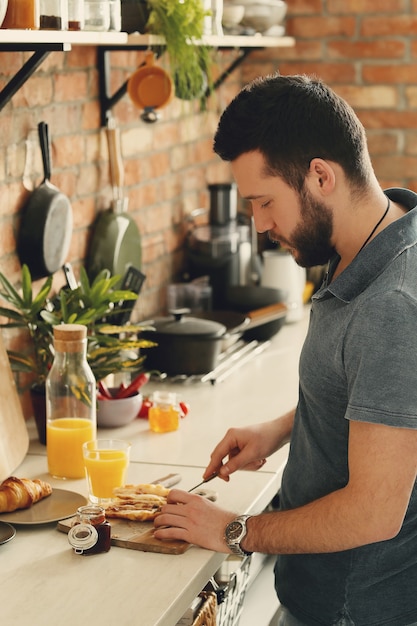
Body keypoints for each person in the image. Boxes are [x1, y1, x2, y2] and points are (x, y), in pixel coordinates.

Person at [153, 74, 417, 625]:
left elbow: (373, 513)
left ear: (321, 175)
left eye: (265, 201)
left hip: (352, 607)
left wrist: (233, 529)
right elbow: (377, 399)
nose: (260, 223)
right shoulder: (368, 242)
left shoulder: (391, 304)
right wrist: (281, 428)